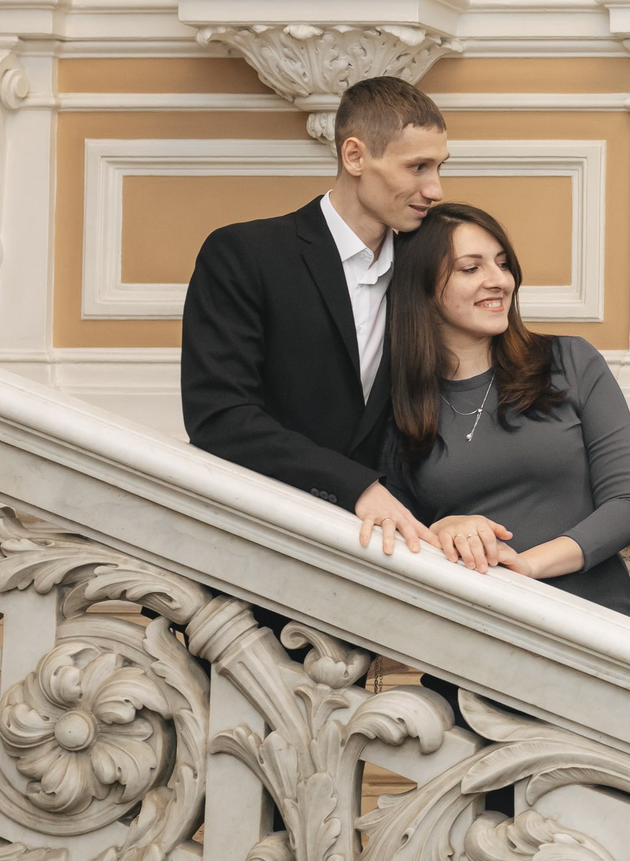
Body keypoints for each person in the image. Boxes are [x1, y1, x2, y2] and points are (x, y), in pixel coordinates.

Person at [181, 76, 445, 558]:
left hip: (403, 550)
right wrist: (357, 488)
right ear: (355, 156)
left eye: (439, 167)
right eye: (417, 167)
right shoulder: (244, 254)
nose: (435, 188)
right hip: (266, 542)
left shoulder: (431, 265)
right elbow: (220, 418)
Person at [386, 203, 630, 616]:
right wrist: (442, 529)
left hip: (594, 617)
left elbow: (629, 506)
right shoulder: (397, 402)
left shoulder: (570, 360)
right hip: (472, 624)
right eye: (470, 269)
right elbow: (396, 533)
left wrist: (525, 567)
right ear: (420, 286)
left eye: (503, 264)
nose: (499, 281)